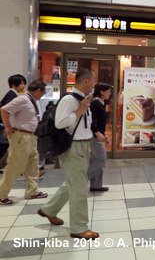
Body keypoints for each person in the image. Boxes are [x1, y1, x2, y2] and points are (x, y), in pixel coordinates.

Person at [38, 68, 100, 239]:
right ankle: (79, 227)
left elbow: (82, 127)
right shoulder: (69, 100)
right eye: (93, 79)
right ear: (86, 81)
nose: (95, 82)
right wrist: (79, 110)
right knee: (79, 188)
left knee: (72, 183)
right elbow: (60, 123)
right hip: (73, 147)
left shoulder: (83, 99)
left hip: (81, 146)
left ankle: (49, 209)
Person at [0, 80, 47, 205]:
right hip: (21, 136)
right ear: (38, 90)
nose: (43, 95)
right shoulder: (23, 99)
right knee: (16, 165)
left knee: (32, 164)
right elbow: (4, 110)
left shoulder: (31, 100)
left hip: (31, 136)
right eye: (43, 92)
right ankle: (1, 194)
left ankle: (32, 191)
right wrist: (8, 127)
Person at [0, 74, 27, 173]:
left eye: (24, 83)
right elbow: (6, 110)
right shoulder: (11, 95)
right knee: (4, 146)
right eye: (20, 84)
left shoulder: (14, 95)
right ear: (13, 85)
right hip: (5, 126)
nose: (23, 86)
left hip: (6, 125)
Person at [88, 83, 111, 192]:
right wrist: (97, 132)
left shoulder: (100, 103)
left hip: (98, 135)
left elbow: (100, 123)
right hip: (94, 136)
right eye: (108, 91)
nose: (110, 94)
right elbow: (91, 120)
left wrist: (104, 135)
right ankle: (81, 179)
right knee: (101, 159)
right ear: (101, 91)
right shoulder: (96, 103)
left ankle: (96, 185)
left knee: (98, 159)